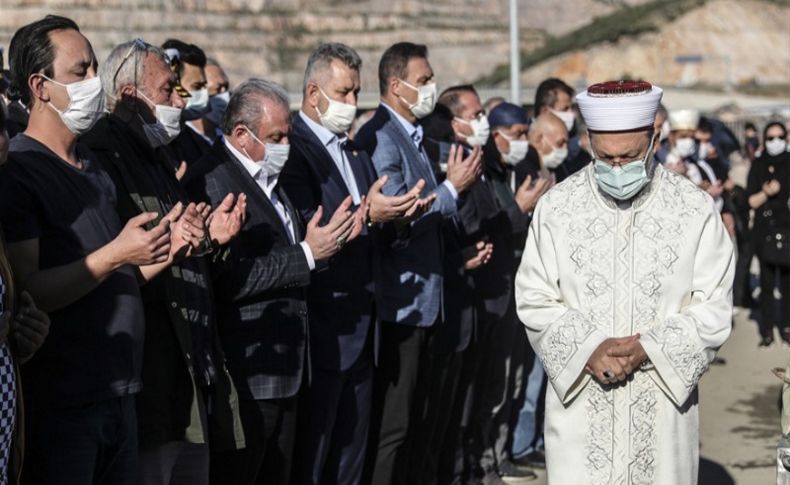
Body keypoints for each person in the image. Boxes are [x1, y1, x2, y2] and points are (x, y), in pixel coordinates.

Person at [515, 80, 734, 484]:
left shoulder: (693, 210)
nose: (617, 169)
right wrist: (588, 347)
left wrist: (648, 348)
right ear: (588, 143)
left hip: (661, 407)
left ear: (654, 138)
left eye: (630, 157)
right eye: (605, 158)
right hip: (581, 407)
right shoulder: (558, 208)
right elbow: (533, 296)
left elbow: (714, 305)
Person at [0, 16, 176, 485]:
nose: (95, 83)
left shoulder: (94, 168)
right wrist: (117, 254)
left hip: (120, 392)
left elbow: (114, 272)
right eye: (80, 73)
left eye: (96, 68)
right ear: (40, 85)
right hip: (64, 403)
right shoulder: (20, 169)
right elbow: (26, 292)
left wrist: (163, 246)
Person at [84, 38, 247, 485]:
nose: (181, 99)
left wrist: (208, 237)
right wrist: (172, 244)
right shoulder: (100, 156)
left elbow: (180, 240)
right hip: (147, 372)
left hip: (187, 371)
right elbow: (114, 264)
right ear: (129, 93)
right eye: (167, 89)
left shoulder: (157, 152)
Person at [185, 78, 362, 485]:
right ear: (242, 135)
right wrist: (306, 254)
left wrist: (328, 244)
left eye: (288, 134)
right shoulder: (211, 180)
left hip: (290, 367)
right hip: (248, 371)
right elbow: (226, 279)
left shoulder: (274, 180)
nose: (286, 144)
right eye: (276, 136)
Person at [280, 42, 430, 485]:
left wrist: (400, 216)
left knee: (353, 453)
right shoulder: (293, 151)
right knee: (317, 452)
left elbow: (377, 217)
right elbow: (313, 229)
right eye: (343, 93)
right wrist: (368, 215)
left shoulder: (355, 151)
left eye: (355, 94)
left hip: (366, 327)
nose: (351, 105)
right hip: (326, 327)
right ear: (313, 93)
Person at [354, 42, 481, 485]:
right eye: (424, 81)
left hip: (426, 300)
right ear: (395, 85)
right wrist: (450, 191)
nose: (432, 88)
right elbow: (396, 212)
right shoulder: (381, 137)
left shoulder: (414, 134)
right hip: (400, 302)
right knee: (394, 427)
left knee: (419, 419)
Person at [438, 85, 537, 484]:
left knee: (501, 387)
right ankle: (471, 465)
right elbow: (479, 227)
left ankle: (492, 459)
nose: (523, 142)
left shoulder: (509, 168)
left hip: (505, 296)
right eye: (476, 116)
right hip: (476, 297)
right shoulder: (469, 170)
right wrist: (519, 211)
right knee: (470, 396)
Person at [746, 121, 790, 347]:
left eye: (779, 137)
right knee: (766, 282)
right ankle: (767, 329)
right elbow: (751, 201)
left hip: (787, 230)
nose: (775, 142)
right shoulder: (759, 164)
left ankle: (786, 326)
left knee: (787, 283)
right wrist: (766, 192)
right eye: (770, 138)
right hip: (764, 232)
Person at [161, 39, 212, 175]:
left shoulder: (200, 145)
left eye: (204, 85)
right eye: (197, 87)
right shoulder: (154, 142)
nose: (205, 93)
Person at [533, 77, 590, 182]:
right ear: (545, 111)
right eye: (565, 109)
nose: (572, 114)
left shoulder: (579, 157)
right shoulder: (524, 162)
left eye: (571, 108)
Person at [196, 58, 230, 143]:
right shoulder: (182, 140)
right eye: (217, 89)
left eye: (226, 87)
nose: (225, 95)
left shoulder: (226, 139)